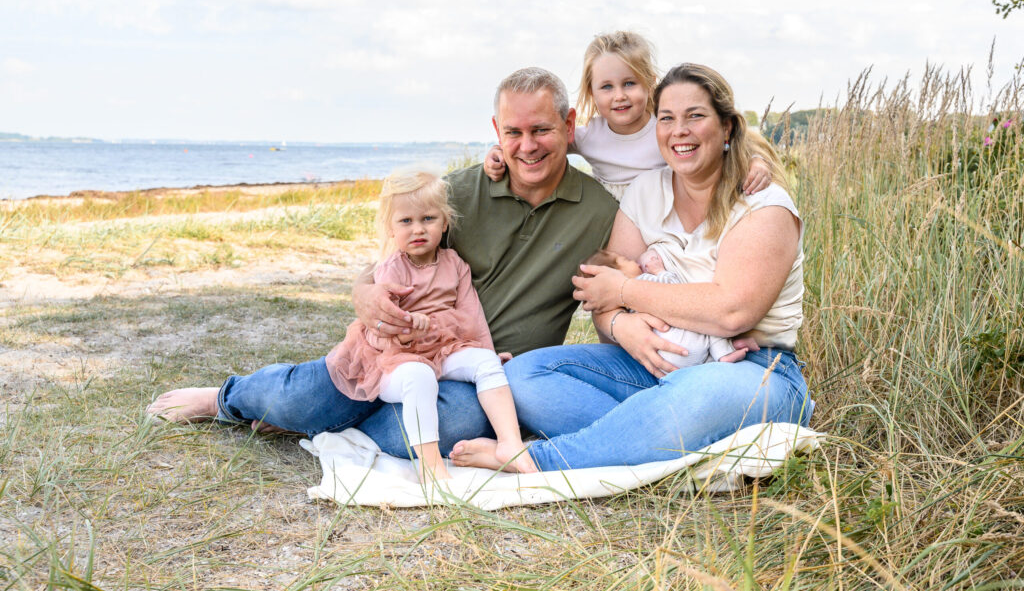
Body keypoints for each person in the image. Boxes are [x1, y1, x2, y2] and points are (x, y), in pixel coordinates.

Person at [147, 67, 619, 462]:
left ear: (569, 124)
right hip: (402, 349)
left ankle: (306, 422)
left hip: (485, 370)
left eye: (541, 130)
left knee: (435, 429)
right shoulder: (454, 194)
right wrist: (363, 291)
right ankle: (229, 398)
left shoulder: (600, 210)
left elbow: (622, 277)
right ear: (496, 131)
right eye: (513, 132)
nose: (527, 146)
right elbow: (386, 263)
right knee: (314, 392)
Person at [450, 62, 814, 473]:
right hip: (649, 366)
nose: (680, 131)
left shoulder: (765, 207)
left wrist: (625, 294)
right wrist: (623, 328)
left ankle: (538, 460)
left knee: (694, 393)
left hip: (751, 369)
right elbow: (600, 300)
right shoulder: (645, 192)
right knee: (522, 376)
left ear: (727, 127)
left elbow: (730, 310)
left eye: (695, 116)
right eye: (667, 119)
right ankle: (654, 435)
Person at [324, 167, 533, 480]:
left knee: (486, 362)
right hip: (396, 360)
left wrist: (488, 352)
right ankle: (430, 464)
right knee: (419, 377)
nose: (417, 229)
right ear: (391, 229)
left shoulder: (454, 264)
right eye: (406, 221)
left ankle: (510, 443)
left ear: (444, 221)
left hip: (445, 350)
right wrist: (408, 327)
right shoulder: (392, 269)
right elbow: (379, 332)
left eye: (428, 219)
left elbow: (473, 317)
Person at [483, 31, 774, 200]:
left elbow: (729, 140)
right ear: (592, 93)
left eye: (630, 83)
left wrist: (756, 160)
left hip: (664, 215)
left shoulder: (664, 129)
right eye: (607, 87)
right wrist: (498, 154)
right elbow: (537, 146)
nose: (619, 96)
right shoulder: (588, 136)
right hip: (611, 221)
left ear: (649, 83)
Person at [581, 248, 737, 368]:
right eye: (626, 260)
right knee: (706, 318)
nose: (635, 262)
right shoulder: (642, 282)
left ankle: (720, 353)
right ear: (616, 274)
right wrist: (659, 271)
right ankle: (724, 353)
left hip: (663, 361)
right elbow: (675, 290)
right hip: (686, 347)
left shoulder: (621, 306)